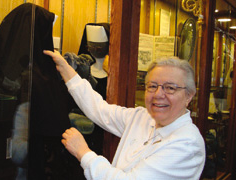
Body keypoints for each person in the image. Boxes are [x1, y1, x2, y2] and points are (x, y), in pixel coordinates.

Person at [43, 50, 206, 180]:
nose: (158, 94)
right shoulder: (142, 117)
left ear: (189, 96)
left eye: (170, 88)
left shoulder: (187, 144)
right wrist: (66, 70)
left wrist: (83, 153)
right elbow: (99, 109)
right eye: (152, 86)